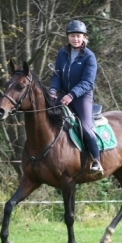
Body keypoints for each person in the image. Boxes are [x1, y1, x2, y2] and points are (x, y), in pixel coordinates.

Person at [49, 19, 103, 173]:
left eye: (79, 36)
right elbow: (57, 76)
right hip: (63, 94)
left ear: (84, 37)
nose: (75, 39)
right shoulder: (62, 53)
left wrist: (71, 95)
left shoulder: (89, 56)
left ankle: (96, 160)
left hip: (82, 97)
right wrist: (53, 91)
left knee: (85, 127)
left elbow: (88, 82)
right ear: (68, 37)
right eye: (72, 35)